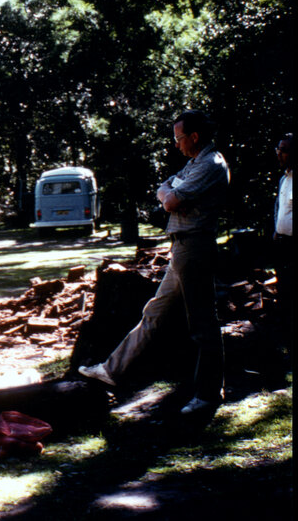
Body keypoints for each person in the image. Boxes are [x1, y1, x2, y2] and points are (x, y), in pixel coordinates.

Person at [79, 110, 230, 415]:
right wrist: (168, 193)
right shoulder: (194, 163)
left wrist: (168, 195)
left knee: (203, 325)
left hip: (195, 248)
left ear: (194, 137)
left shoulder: (211, 165)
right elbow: (167, 187)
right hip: (181, 248)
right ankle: (111, 370)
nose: (176, 145)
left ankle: (208, 395)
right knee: (154, 313)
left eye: (178, 138)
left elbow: (170, 200)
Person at [271, 133, 292, 351]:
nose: (279, 154)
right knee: (284, 292)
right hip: (283, 245)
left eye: (284, 150)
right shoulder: (284, 179)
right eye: (278, 149)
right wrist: (276, 231)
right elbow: (279, 208)